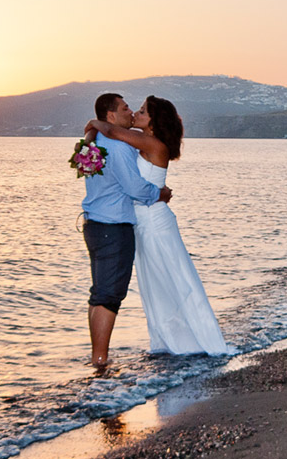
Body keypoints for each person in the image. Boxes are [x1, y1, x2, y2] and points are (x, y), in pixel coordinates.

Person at [85, 96, 228, 355]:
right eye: (133, 109)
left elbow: (111, 130)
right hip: (141, 222)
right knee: (156, 286)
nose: (136, 113)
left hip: (155, 222)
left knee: (176, 279)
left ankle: (202, 340)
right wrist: (91, 135)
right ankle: (173, 341)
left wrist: (94, 123)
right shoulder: (138, 144)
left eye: (142, 111)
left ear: (154, 122)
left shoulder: (151, 143)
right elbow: (109, 142)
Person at [82, 93, 173, 368]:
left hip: (93, 224)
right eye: (125, 108)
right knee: (109, 296)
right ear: (110, 116)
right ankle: (100, 359)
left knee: (99, 293)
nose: (130, 111)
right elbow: (135, 189)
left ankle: (97, 356)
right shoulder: (119, 147)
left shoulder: (95, 142)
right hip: (113, 227)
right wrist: (160, 193)